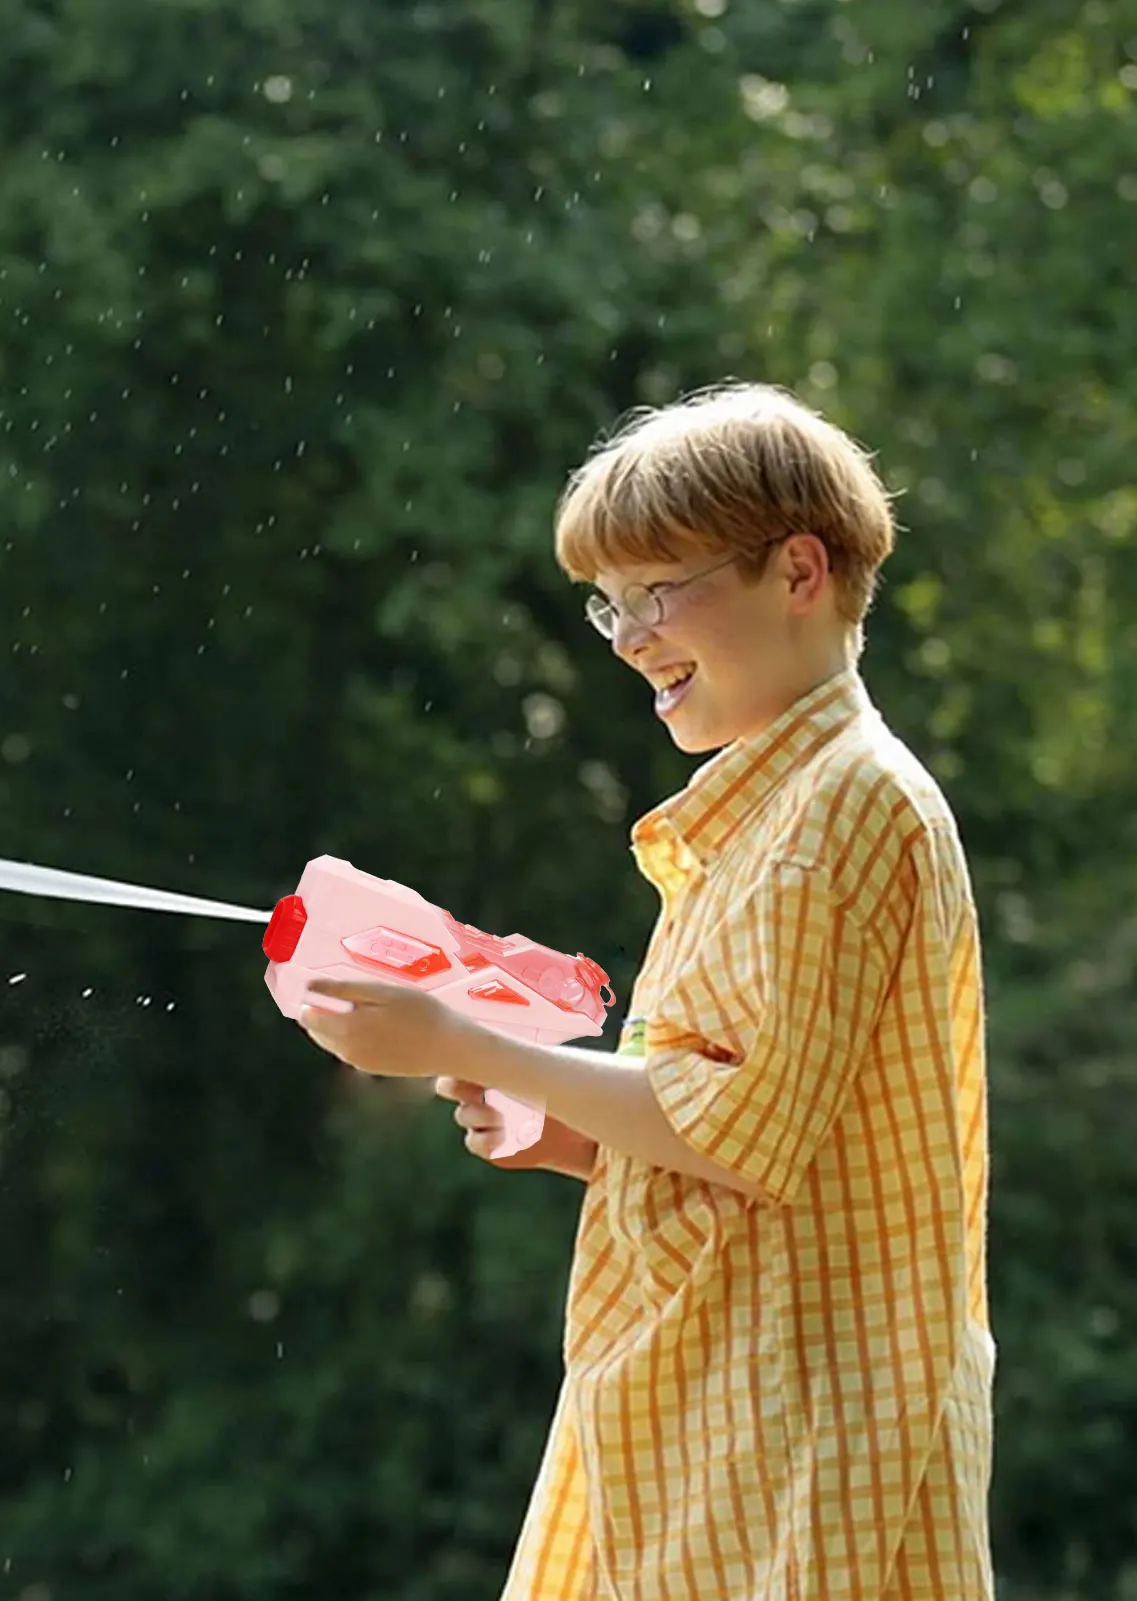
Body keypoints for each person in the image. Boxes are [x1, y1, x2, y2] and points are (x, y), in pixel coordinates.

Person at [298, 383, 994, 1599]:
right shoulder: (769, 811)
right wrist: (582, 1139)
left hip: (799, 1444)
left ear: (795, 571)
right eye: (605, 604)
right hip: (711, 1416)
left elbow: (736, 1126)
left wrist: (461, 1037)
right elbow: (753, 1141)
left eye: (657, 592)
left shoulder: (836, 813)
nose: (624, 636)